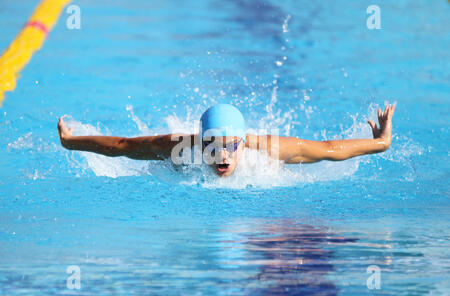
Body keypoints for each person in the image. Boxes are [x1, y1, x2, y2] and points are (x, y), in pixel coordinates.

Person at [57, 103, 396, 177]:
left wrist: (381, 143)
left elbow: (327, 150)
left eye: (230, 145)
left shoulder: (263, 150)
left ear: (241, 142)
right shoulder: (179, 147)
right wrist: (71, 142)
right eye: (212, 146)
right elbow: (123, 147)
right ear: (199, 142)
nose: (221, 155)